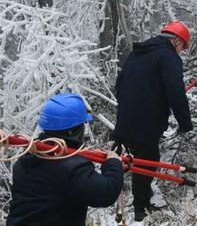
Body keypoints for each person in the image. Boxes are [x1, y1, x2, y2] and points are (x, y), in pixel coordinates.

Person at [112, 21, 193, 221]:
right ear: (176, 41)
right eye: (182, 47)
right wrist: (185, 122)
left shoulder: (138, 53)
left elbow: (119, 84)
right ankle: (141, 209)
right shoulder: (168, 56)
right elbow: (175, 91)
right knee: (147, 161)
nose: (181, 52)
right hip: (145, 120)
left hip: (125, 117)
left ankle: (139, 199)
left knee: (139, 159)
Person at [7, 93, 123, 225]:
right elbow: (106, 193)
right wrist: (113, 164)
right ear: (76, 130)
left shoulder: (26, 159)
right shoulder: (72, 167)